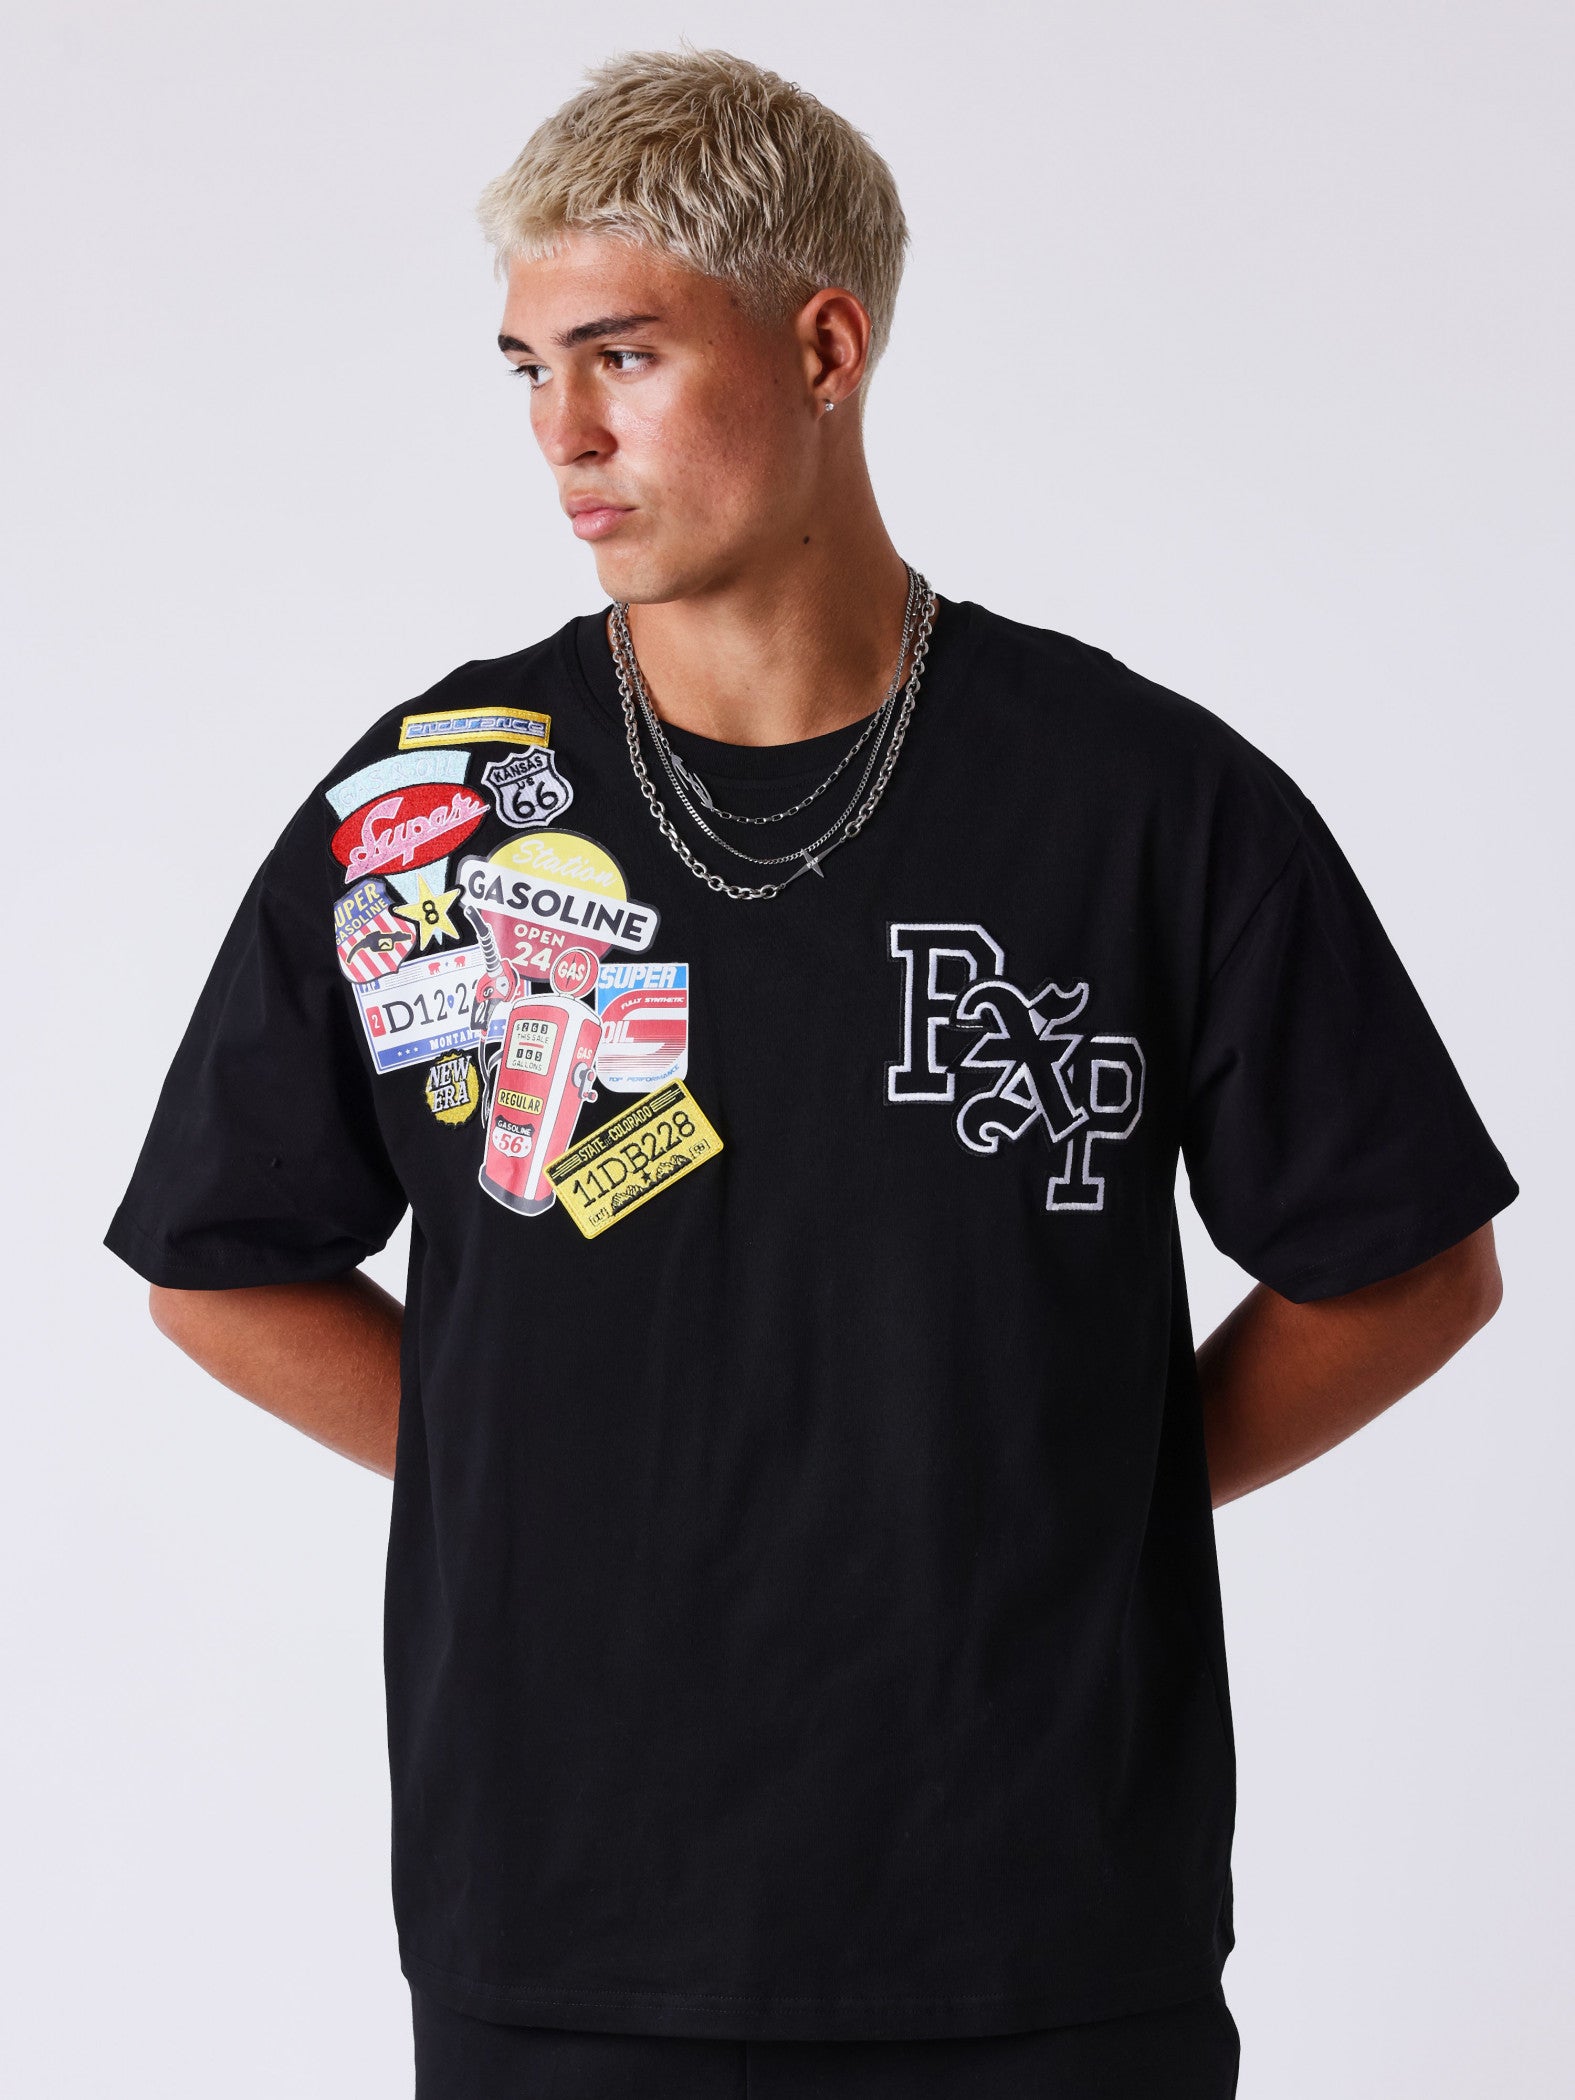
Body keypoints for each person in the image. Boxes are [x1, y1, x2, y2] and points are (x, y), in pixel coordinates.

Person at [105, 47, 1516, 2100]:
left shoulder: (1142, 800)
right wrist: (563, 1488)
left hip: (1042, 1918)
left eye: (622, 356)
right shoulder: (440, 814)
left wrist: (1064, 1494)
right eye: (526, 370)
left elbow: (1405, 1263)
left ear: (824, 345)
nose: (563, 434)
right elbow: (220, 1260)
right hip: (567, 1913)